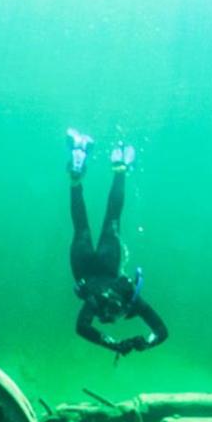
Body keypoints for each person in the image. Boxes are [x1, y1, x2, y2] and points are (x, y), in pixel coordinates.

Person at [65, 129, 168, 358]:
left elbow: (161, 332)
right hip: (84, 266)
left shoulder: (127, 297)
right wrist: (117, 344)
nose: (110, 316)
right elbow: (82, 328)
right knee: (81, 225)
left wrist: (141, 343)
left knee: (112, 217)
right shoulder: (114, 300)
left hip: (107, 262)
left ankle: (120, 170)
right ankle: (77, 179)